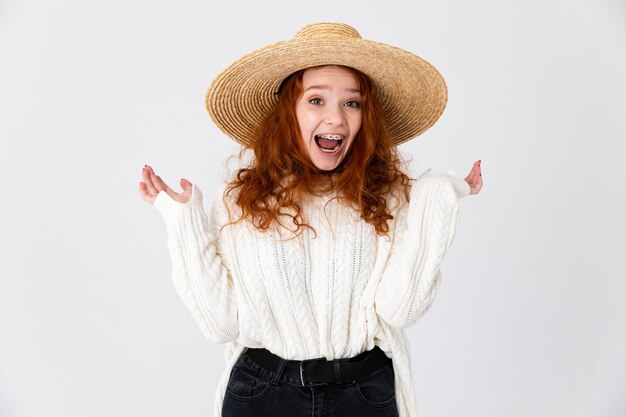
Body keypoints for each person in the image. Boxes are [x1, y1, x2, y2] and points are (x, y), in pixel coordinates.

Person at [139, 22, 482, 417]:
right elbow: (221, 326)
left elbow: (400, 310)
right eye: (317, 100)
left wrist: (436, 197)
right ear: (289, 111)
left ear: (364, 116)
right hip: (263, 393)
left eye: (351, 103)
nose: (335, 118)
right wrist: (181, 217)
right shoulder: (243, 199)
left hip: (363, 392)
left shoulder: (387, 196)